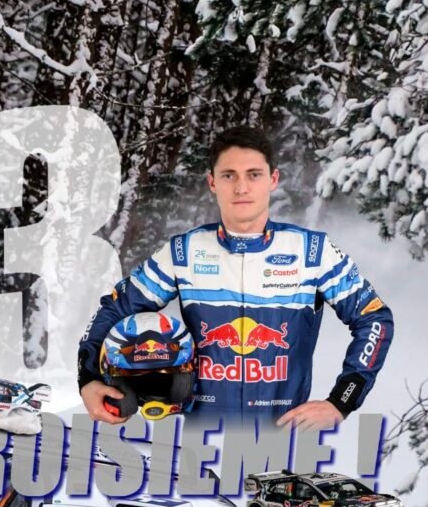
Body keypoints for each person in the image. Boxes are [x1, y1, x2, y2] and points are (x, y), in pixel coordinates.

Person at [78, 126, 393, 429]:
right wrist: (88, 379)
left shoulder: (313, 252)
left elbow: (374, 319)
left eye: (253, 175)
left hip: (284, 439)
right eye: (229, 175)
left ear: (272, 179)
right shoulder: (183, 252)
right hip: (200, 440)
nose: (241, 188)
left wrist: (341, 401)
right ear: (212, 182)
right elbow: (114, 309)